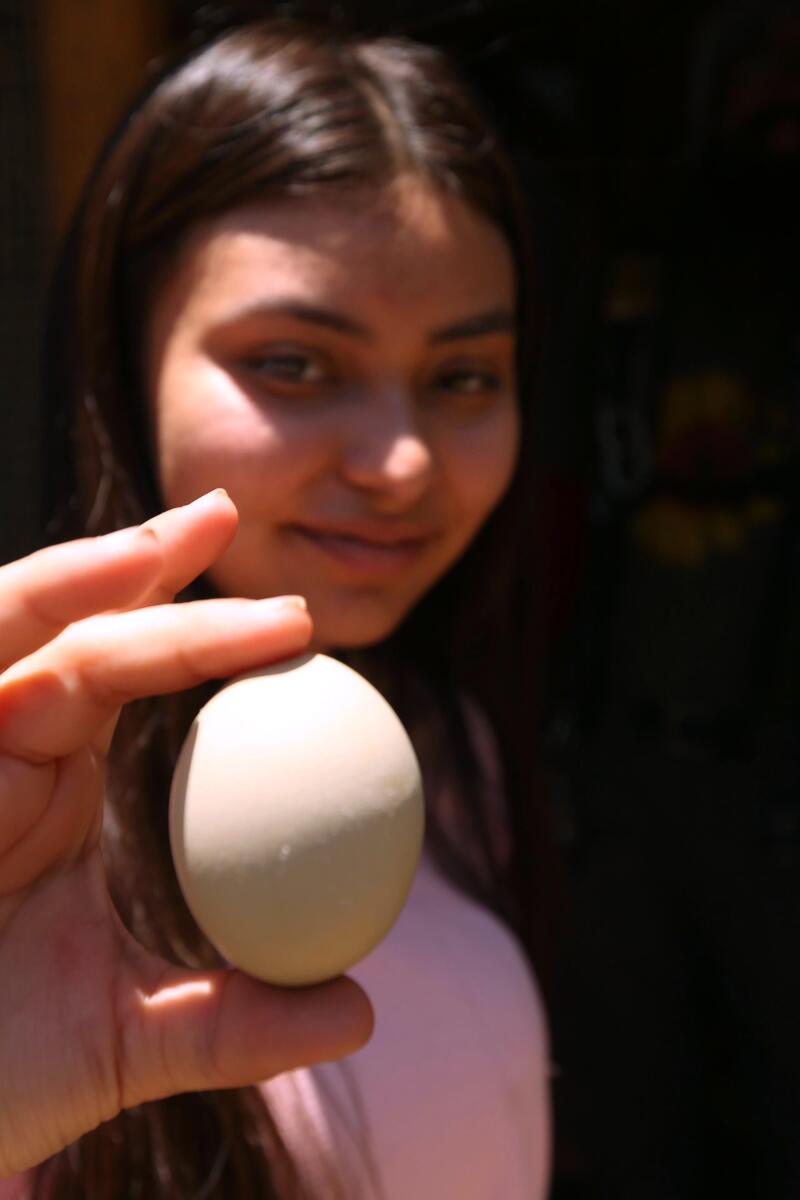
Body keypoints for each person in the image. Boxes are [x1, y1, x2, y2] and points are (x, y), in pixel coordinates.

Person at [0, 18, 553, 1199]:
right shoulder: (26, 835)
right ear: (124, 360)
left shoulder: (456, 765)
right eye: (294, 363)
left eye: (462, 376)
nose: (401, 464)